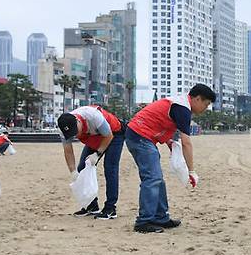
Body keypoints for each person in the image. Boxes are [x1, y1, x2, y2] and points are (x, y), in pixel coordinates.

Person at [125, 83, 216, 233]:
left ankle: (161, 217)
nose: (205, 109)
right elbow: (186, 142)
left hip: (141, 135)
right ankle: (144, 222)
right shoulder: (183, 108)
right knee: (152, 178)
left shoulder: (180, 104)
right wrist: (191, 171)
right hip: (139, 135)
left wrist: (169, 143)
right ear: (197, 99)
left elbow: (160, 121)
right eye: (206, 104)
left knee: (157, 179)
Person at [57, 105, 126, 220]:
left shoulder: (93, 116)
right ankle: (92, 206)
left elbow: (108, 136)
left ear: (78, 120)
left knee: (110, 169)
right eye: (72, 135)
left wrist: (97, 154)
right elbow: (68, 151)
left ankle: (110, 208)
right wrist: (73, 171)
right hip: (94, 137)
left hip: (114, 134)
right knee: (82, 167)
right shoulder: (63, 129)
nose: (75, 135)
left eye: (76, 131)